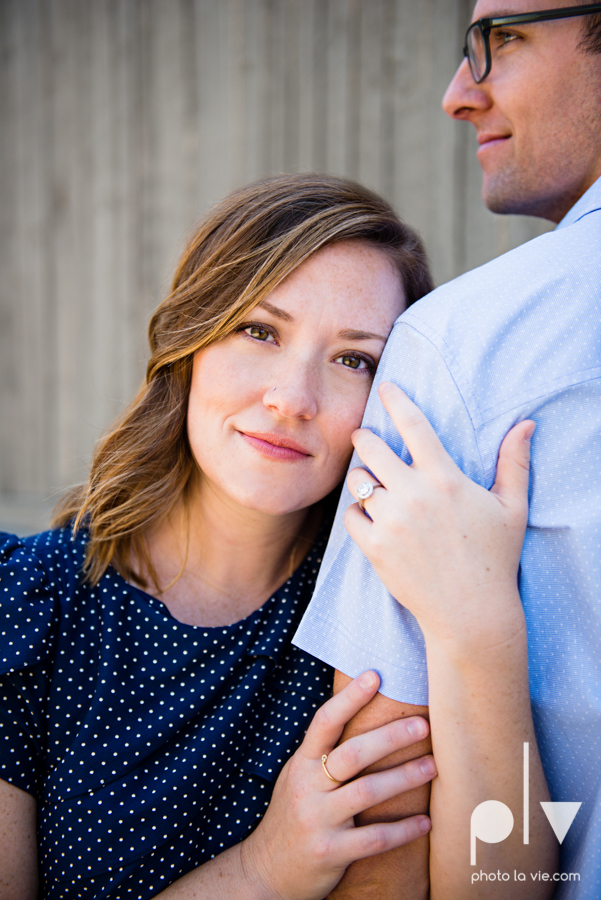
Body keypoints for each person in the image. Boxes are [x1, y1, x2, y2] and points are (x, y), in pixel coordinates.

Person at [0, 173, 445, 900]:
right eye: (259, 331)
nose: (292, 399)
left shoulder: (378, 629)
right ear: (190, 342)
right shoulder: (26, 604)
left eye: (352, 359)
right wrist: (263, 870)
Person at [293, 2, 601, 898]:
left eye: (500, 40)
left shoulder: (461, 353)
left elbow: (399, 865)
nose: (456, 95)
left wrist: (477, 633)